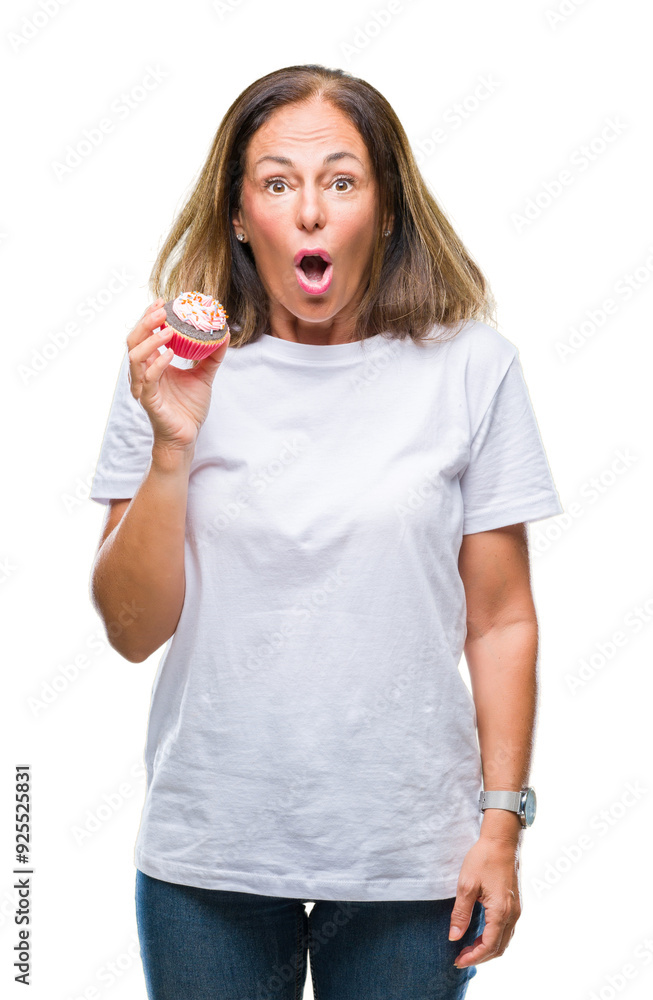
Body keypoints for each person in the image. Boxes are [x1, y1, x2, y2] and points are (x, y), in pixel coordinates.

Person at [89, 64, 563, 1000]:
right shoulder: (167, 373)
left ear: (384, 209)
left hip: (409, 862)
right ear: (237, 214)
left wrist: (500, 827)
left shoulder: (471, 366)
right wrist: (171, 449)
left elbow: (500, 620)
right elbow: (132, 630)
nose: (309, 211)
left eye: (340, 181)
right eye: (277, 183)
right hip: (209, 853)